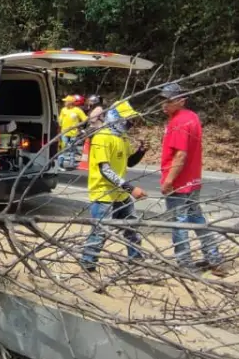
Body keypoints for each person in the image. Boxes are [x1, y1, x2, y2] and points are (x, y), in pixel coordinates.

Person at [158, 82, 222, 272]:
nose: (164, 104)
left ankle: (184, 264)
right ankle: (213, 257)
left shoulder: (178, 122)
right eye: (163, 100)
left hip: (179, 183)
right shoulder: (192, 117)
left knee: (179, 223)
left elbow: (181, 154)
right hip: (193, 181)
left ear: (180, 101)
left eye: (168, 101)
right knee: (197, 219)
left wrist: (169, 180)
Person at [80, 101, 147, 272]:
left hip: (120, 194)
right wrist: (132, 189)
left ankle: (136, 261)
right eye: (127, 120)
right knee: (100, 232)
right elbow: (105, 170)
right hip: (103, 194)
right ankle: (88, 263)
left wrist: (140, 151)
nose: (130, 124)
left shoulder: (121, 137)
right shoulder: (101, 137)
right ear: (115, 118)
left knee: (131, 228)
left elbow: (129, 162)